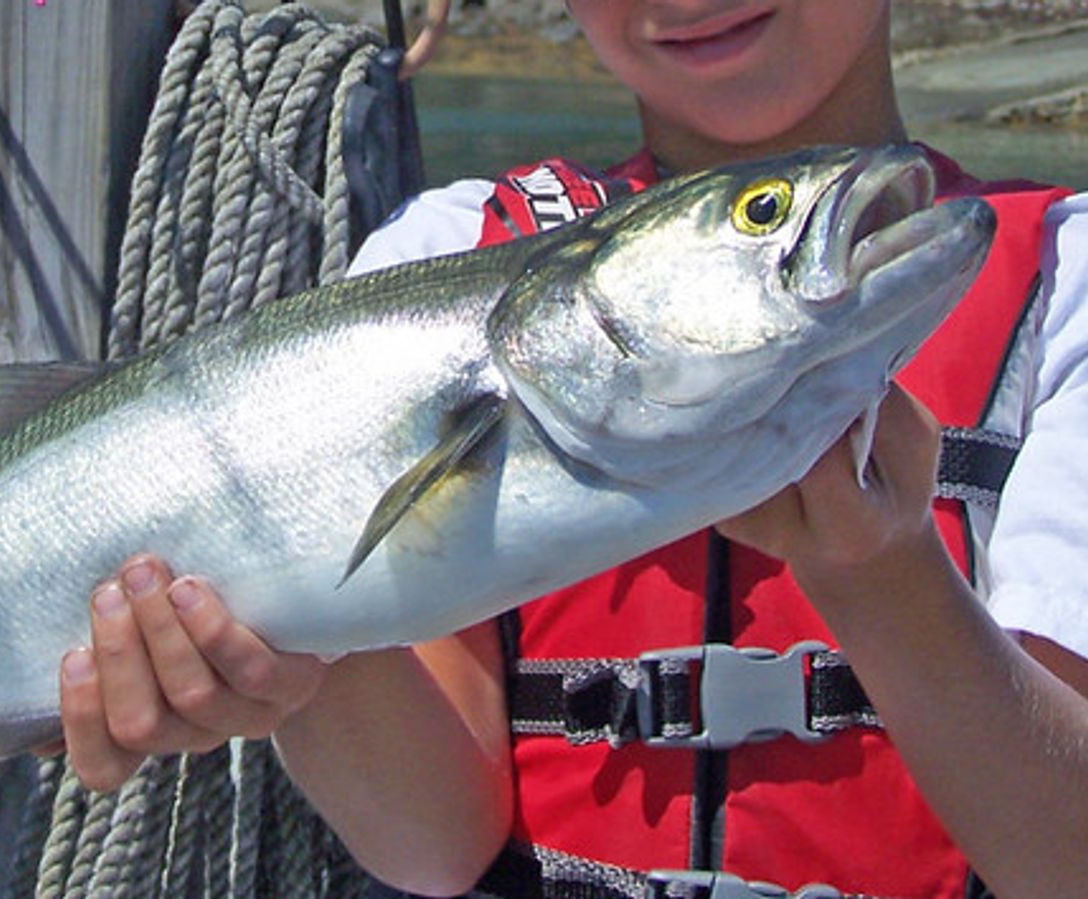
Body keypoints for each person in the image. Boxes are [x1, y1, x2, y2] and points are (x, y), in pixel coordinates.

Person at [53, 2, 1088, 897]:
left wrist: (885, 578)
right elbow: (430, 845)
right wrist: (295, 659)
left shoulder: (1067, 282)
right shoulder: (438, 259)